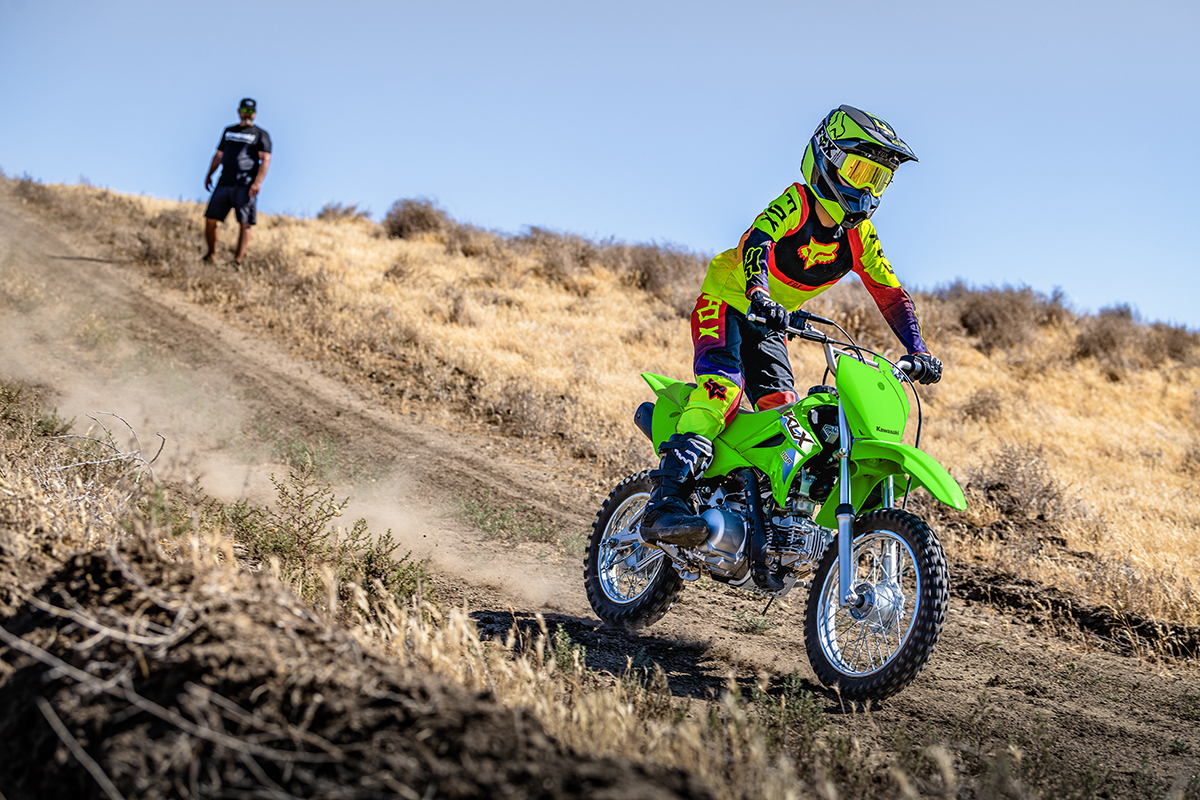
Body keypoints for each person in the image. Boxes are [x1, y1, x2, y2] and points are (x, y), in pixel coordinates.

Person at [641, 104, 943, 547]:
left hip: (770, 322)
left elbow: (890, 292)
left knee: (786, 414)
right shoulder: (797, 203)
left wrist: (917, 349)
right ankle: (664, 502)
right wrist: (759, 293)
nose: (867, 188)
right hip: (728, 301)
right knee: (721, 390)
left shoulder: (861, 236)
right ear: (827, 160)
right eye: (860, 171)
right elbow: (757, 241)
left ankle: (760, 511)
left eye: (878, 179)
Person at [203, 97, 272, 266]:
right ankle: (211, 255)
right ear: (239, 111)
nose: (247, 114)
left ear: (255, 113)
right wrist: (209, 173)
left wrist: (258, 182)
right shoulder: (229, 131)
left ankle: (237, 261)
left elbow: (266, 159)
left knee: (245, 222)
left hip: (245, 185)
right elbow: (219, 155)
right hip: (224, 182)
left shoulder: (261, 134)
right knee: (210, 219)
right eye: (244, 110)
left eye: (250, 111)